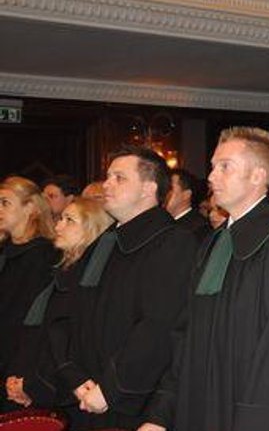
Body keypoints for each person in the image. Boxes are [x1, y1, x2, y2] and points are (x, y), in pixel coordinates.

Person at [141, 127, 269, 431]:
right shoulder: (214, 243)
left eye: (224, 166)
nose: (211, 177)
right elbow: (185, 334)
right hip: (198, 405)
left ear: (257, 175)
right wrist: (161, 413)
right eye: (213, 167)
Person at [65, 146, 197, 431]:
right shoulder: (106, 241)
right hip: (87, 395)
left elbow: (159, 328)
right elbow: (71, 309)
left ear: (148, 189)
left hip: (136, 405)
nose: (106, 184)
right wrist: (75, 376)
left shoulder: (174, 243)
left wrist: (110, 389)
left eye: (119, 178)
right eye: (108, 176)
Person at [5, 199, 111, 411]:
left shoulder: (89, 281)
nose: (58, 226)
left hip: (68, 396)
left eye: (69, 220)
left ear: (93, 229)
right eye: (60, 218)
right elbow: (34, 332)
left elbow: (67, 342)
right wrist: (16, 378)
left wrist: (32, 386)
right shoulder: (61, 273)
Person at [0, 176, 58, 411]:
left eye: (5, 203)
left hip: (18, 369)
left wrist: (24, 374)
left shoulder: (44, 255)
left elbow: (37, 320)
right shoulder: (6, 252)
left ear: (31, 208)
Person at [164, 169, 209, 241]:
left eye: (170, 188)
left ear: (186, 195)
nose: (164, 193)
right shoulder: (162, 222)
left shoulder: (199, 228)